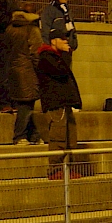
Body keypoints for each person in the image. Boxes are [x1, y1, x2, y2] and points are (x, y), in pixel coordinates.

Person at [36, 26, 82, 179]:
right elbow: (61, 72)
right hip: (56, 104)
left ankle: (69, 168)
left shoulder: (56, 56)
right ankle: (55, 170)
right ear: (54, 41)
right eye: (62, 39)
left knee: (70, 137)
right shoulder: (47, 57)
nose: (66, 41)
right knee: (58, 137)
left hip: (65, 103)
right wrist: (66, 55)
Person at [6, 5, 43, 145]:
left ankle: (34, 135)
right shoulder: (32, 30)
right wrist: (40, 70)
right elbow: (35, 53)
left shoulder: (9, 29)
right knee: (26, 105)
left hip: (12, 69)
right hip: (27, 70)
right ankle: (19, 135)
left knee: (25, 103)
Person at [40, 0, 77, 67]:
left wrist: (74, 43)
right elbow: (45, 29)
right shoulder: (49, 10)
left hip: (67, 48)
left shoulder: (67, 10)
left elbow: (72, 28)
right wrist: (48, 47)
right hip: (55, 50)